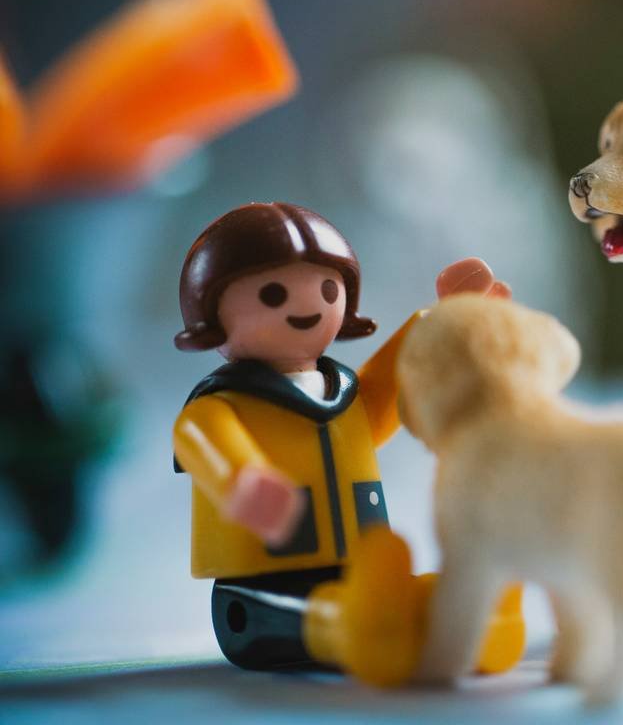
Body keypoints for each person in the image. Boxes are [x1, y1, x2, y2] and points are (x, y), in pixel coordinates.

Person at [172, 202, 521, 686]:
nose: (308, 306)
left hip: (362, 570)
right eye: (273, 293)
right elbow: (198, 439)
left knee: (399, 594)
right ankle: (364, 632)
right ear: (211, 309)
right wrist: (242, 482)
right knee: (321, 617)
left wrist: (447, 323)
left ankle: (473, 616)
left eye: (327, 288)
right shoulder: (222, 404)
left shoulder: (344, 393)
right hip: (258, 594)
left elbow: (400, 375)